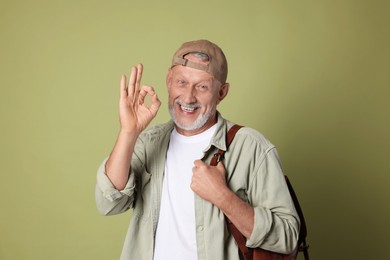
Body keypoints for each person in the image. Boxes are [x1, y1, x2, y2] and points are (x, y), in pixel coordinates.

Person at [95, 39, 300, 260]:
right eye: (181, 82)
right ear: (168, 81)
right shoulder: (148, 142)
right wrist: (128, 132)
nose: (188, 97)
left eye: (202, 86)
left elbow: (288, 236)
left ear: (222, 92)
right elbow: (108, 203)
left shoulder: (252, 148)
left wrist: (223, 197)